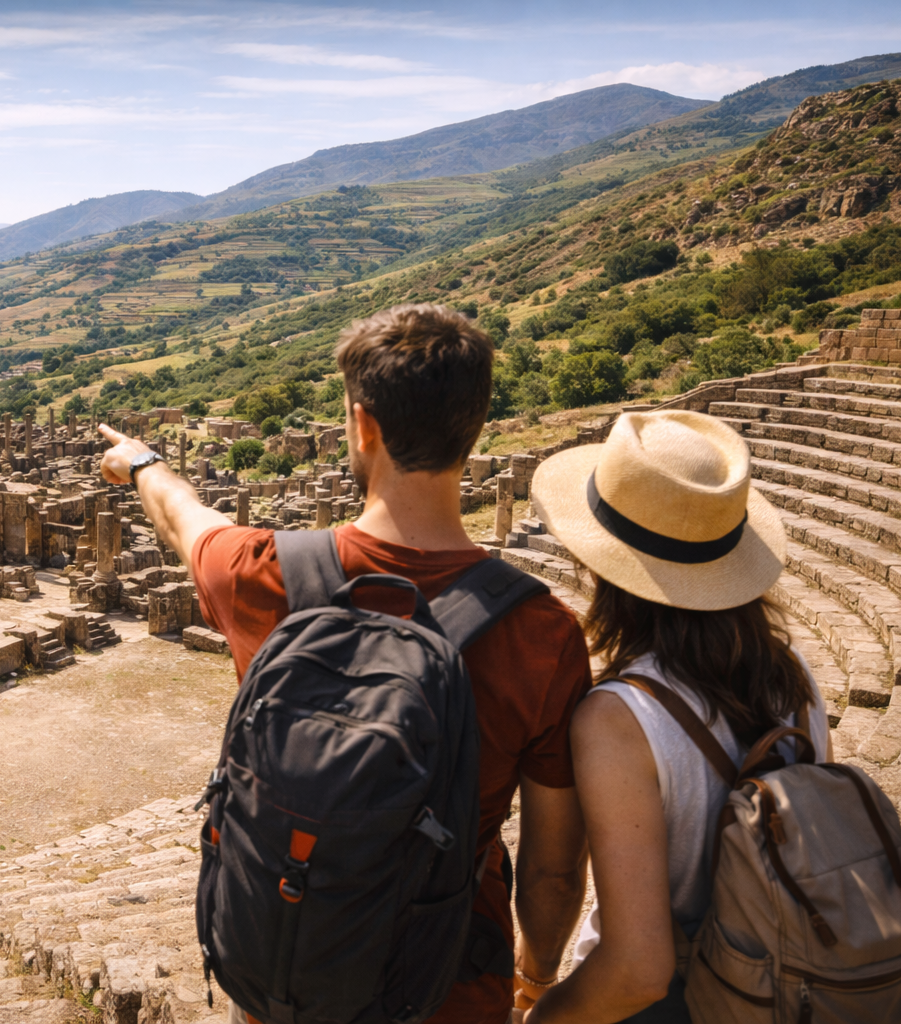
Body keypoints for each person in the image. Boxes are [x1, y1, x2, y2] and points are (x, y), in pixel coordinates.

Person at [97, 303, 593, 1024]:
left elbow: (182, 513)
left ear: (363, 426)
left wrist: (141, 462)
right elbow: (551, 868)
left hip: (290, 971)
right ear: (476, 426)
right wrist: (535, 978)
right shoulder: (544, 633)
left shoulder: (260, 572)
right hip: (446, 983)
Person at [524, 409, 831, 1023]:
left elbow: (638, 970)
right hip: (785, 985)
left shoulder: (619, 717)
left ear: (603, 565)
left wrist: (540, 1015)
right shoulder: (792, 673)